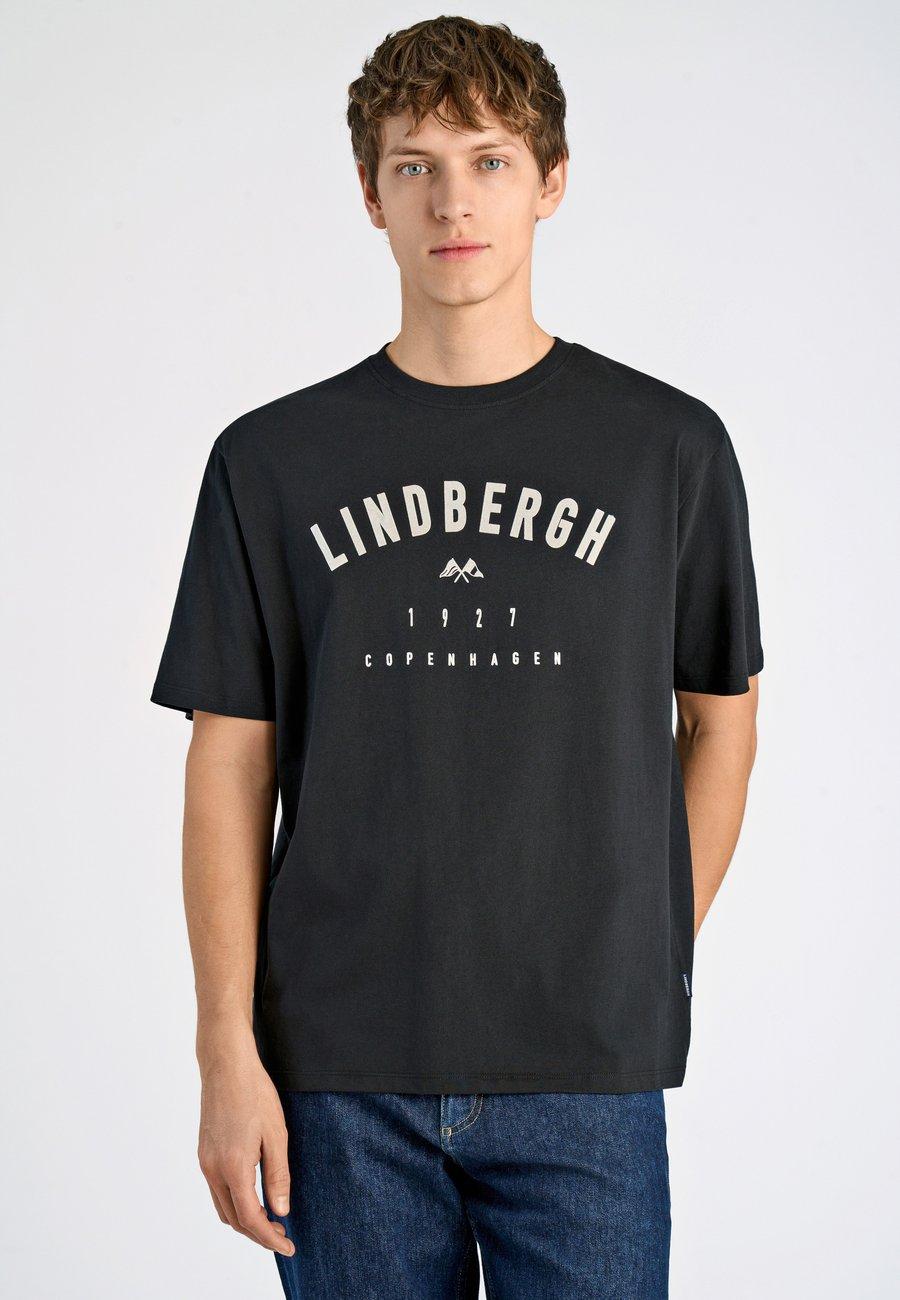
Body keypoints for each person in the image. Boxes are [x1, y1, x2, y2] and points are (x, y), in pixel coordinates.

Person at [150, 15, 763, 1298]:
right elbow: (230, 759)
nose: (453, 201)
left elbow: (720, 718)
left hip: (585, 1074)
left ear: (551, 180)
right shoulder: (271, 461)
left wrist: (639, 942)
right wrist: (224, 1049)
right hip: (336, 1072)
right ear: (369, 193)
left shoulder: (667, 449)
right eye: (415, 164)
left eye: (489, 160)